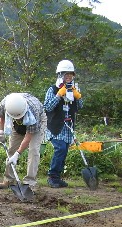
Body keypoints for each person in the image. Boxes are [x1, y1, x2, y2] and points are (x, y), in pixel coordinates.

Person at [43, 59, 83, 188]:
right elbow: (47, 107)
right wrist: (59, 95)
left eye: (71, 75)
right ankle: (52, 176)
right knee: (59, 148)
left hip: (68, 126)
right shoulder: (53, 89)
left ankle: (57, 177)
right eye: (66, 74)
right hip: (55, 126)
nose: (69, 77)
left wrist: (78, 97)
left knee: (64, 150)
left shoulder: (74, 89)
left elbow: (80, 107)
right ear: (60, 75)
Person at [0, 92, 47, 190]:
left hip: (37, 122)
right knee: (11, 150)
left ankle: (29, 183)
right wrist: (0, 130)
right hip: (16, 124)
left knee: (34, 150)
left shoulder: (34, 110)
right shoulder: (5, 103)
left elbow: (28, 137)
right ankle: (8, 180)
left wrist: (18, 154)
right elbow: (1, 116)